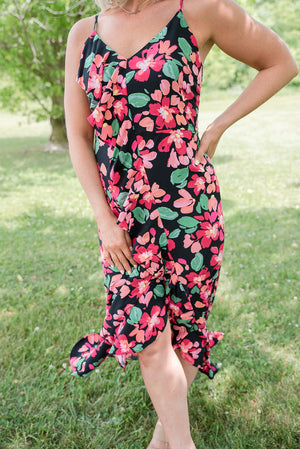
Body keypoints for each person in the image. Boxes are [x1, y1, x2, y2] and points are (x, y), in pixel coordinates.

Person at [64, 0, 298, 448]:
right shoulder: (84, 33)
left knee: (187, 327)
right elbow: (78, 133)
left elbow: (280, 63)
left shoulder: (199, 11)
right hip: (122, 219)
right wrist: (103, 217)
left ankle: (164, 440)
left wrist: (217, 127)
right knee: (149, 338)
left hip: (191, 206)